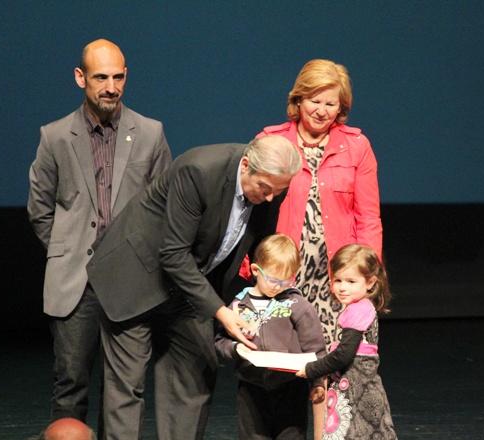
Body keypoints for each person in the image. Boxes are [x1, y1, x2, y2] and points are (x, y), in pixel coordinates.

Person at [85, 136, 301, 439]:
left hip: (190, 285)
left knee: (195, 372)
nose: (269, 198)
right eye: (265, 188)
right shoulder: (199, 170)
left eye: (278, 192)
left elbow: (262, 251)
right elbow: (174, 254)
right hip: (134, 276)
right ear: (246, 165)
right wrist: (221, 313)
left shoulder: (272, 185)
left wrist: (268, 299)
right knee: (126, 386)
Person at [27, 39, 172, 425]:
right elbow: (40, 209)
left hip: (130, 281)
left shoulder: (150, 132)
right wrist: (68, 250)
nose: (111, 87)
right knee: (70, 384)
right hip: (77, 282)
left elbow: (164, 205)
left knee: (125, 389)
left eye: (118, 77)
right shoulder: (55, 136)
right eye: (101, 77)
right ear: (81, 78)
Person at [254, 58, 383, 437]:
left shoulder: (356, 147)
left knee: (326, 372)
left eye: (331, 103)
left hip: (334, 281)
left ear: (341, 108)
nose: (322, 110)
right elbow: (253, 211)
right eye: (315, 100)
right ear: (298, 99)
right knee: (282, 367)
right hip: (284, 275)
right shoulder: (272, 140)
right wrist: (252, 267)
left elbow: (368, 217)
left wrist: (368, 277)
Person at [216, 234, 326, 439]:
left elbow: (315, 348)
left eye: (285, 281)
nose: (277, 286)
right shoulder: (238, 306)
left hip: (291, 387)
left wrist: (318, 381)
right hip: (251, 387)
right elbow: (221, 340)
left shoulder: (298, 305)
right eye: (273, 279)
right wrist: (235, 348)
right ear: (255, 270)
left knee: (291, 435)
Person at [296, 244, 397, 439]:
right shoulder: (360, 307)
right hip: (355, 389)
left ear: (370, 282)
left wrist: (312, 369)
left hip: (357, 393)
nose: (342, 287)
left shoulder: (358, 310)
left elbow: (344, 355)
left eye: (351, 281)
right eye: (338, 280)